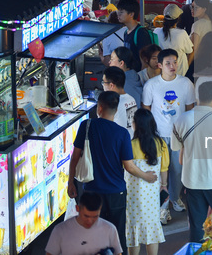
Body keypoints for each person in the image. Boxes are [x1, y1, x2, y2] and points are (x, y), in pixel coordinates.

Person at [68, 92, 158, 255]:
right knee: (116, 236)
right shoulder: (122, 133)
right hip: (116, 192)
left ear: (99, 108)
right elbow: (129, 166)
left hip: (92, 191)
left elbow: (75, 157)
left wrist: (70, 182)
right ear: (116, 111)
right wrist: (147, 176)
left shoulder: (87, 126)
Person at [172, 81, 212, 243]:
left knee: (197, 227)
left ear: (198, 97)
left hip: (192, 180)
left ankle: (197, 251)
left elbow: (179, 151)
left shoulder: (181, 120)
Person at [142, 49, 195, 224]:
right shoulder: (151, 85)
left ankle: (175, 198)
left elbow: (190, 110)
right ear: (160, 65)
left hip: (179, 136)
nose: (172, 66)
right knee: (160, 174)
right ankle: (163, 208)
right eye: (168, 63)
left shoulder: (186, 83)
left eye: (175, 62)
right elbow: (146, 110)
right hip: (158, 137)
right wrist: (149, 135)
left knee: (178, 170)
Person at [126, 109, 169, 255]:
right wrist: (164, 185)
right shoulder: (161, 143)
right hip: (152, 193)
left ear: (136, 125)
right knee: (152, 227)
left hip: (133, 194)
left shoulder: (130, 145)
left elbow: (126, 167)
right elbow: (164, 168)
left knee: (134, 229)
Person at [46, 191, 122, 255]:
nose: (90, 221)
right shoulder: (60, 230)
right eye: (86, 216)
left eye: (95, 216)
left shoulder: (110, 229)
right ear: (77, 208)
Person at [154, 4, 193, 77]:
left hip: (163, 73)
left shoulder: (156, 32)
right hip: (180, 73)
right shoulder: (182, 34)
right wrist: (187, 66)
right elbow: (190, 51)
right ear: (178, 19)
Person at [117, 0, 152, 72]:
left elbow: (145, 62)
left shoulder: (141, 33)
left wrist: (140, 79)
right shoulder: (126, 32)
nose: (118, 14)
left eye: (121, 12)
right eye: (118, 11)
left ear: (131, 14)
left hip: (138, 77)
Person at [103, 66, 138, 138]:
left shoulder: (112, 103)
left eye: (104, 82)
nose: (103, 85)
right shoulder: (131, 99)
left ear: (111, 85)